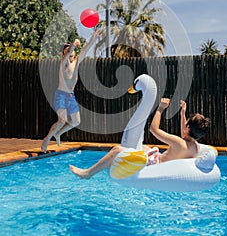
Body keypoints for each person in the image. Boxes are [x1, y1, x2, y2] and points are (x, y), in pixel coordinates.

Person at [69, 98, 210, 179]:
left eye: (186, 123)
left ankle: (88, 173)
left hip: (156, 164)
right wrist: (182, 114)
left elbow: (153, 129)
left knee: (116, 150)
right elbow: (184, 134)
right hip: (161, 161)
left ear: (188, 128)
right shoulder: (194, 146)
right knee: (141, 147)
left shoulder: (178, 142)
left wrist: (160, 109)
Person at [41, 30, 100, 153]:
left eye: (72, 50)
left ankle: (58, 134)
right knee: (61, 120)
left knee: (76, 122)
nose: (71, 52)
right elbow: (67, 54)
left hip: (71, 96)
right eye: (68, 50)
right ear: (64, 52)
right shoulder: (63, 63)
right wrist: (73, 44)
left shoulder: (76, 63)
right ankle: (47, 139)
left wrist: (93, 39)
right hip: (61, 96)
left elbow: (84, 50)